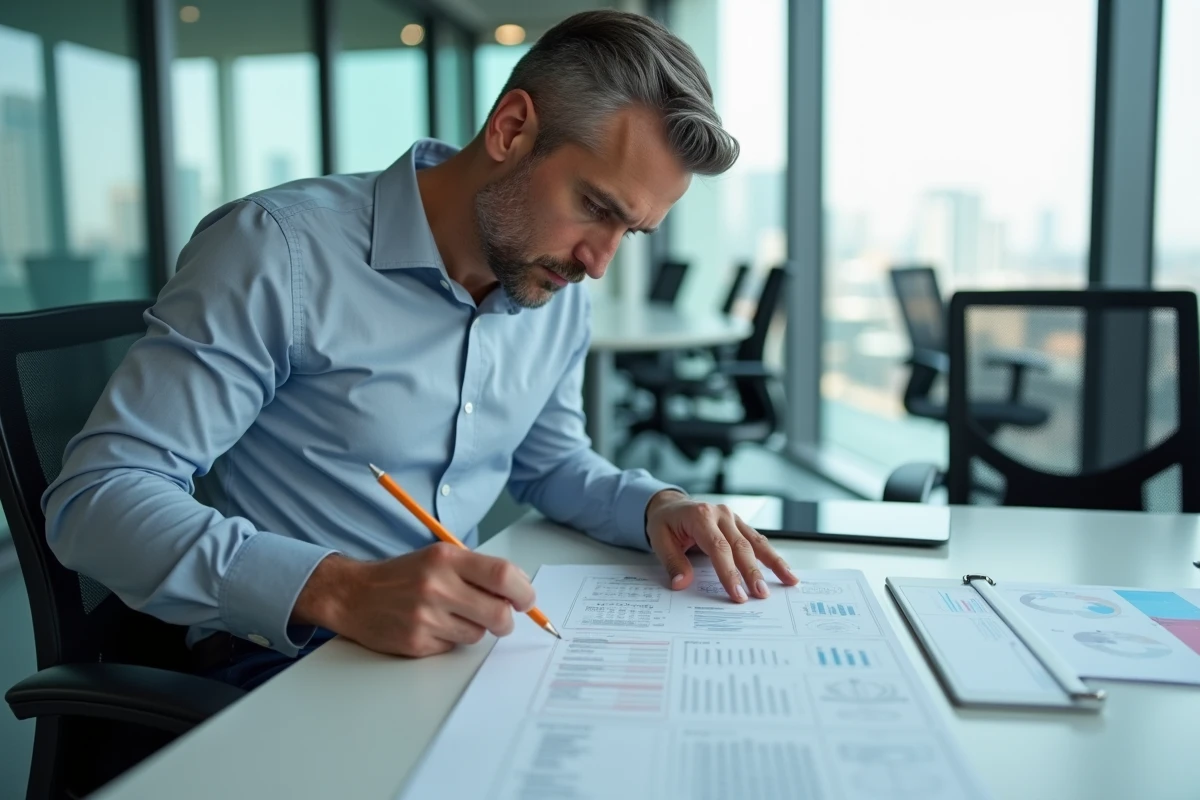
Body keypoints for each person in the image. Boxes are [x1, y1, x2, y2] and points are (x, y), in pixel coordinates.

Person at [42, 10, 797, 691]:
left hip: (457, 655)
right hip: (283, 661)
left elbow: (552, 463)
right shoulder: (280, 250)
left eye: (628, 233)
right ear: (510, 129)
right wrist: (338, 590)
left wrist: (659, 506)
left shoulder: (556, 291)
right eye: (596, 208)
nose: (598, 261)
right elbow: (97, 498)